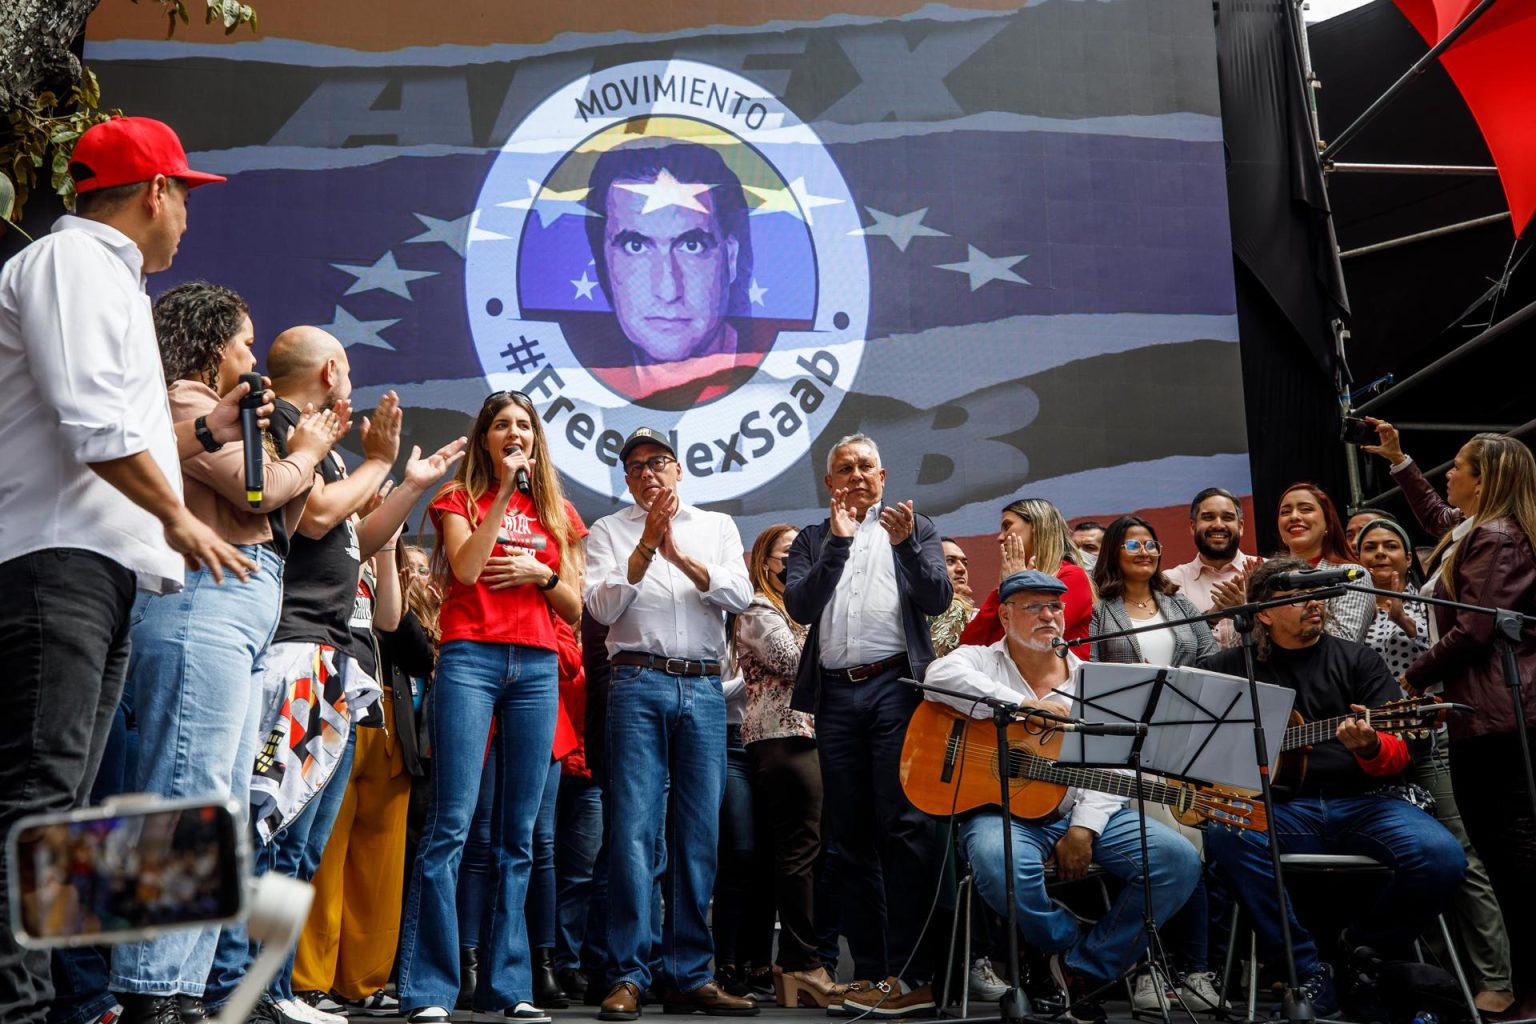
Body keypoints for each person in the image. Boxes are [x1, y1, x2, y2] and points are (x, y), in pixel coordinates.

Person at [0, 115, 260, 1024]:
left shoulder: (105, 278)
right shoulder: (70, 264)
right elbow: (89, 421)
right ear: (154, 191)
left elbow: (117, 425)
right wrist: (179, 516)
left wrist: (202, 437)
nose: (188, 214)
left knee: (69, 809)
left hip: (102, 567)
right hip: (56, 559)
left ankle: (80, 1003)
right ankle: (33, 1010)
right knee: (37, 798)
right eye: (184, 193)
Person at [106, 283, 344, 1024]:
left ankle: (182, 986)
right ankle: (148, 991)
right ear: (213, 347)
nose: (254, 356)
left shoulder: (242, 413)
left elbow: (282, 507)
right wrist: (305, 453)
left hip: (243, 607)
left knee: (226, 806)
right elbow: (256, 494)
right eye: (244, 342)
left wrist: (302, 457)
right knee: (187, 792)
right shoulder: (182, 399)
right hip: (200, 603)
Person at [925, 570, 1201, 1024]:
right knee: (999, 865)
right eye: (1033, 606)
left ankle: (1082, 968)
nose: (1047, 615)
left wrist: (1083, 829)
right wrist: (1022, 706)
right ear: (1005, 613)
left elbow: (1109, 764)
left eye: (1054, 606)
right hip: (1002, 811)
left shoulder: (1094, 679)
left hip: (1081, 808)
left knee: (1177, 860)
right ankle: (1062, 942)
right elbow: (939, 676)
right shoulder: (977, 660)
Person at [1199, 557, 1466, 1018]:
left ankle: (1358, 948)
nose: (1313, 605)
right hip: (1283, 808)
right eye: (1297, 597)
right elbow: (1197, 748)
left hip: (1366, 802)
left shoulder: (1357, 659)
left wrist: (1368, 748)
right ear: (1262, 613)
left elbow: (1402, 750)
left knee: (1442, 858)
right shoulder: (1228, 667)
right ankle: (1306, 970)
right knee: (1227, 833)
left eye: (1316, 595)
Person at [393, 390, 585, 1024]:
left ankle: (510, 985)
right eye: (502, 425)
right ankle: (428, 990)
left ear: (537, 438)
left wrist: (540, 574)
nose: (514, 433)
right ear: (484, 438)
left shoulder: (559, 513)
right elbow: (468, 571)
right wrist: (502, 494)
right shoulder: (458, 498)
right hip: (470, 659)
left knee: (520, 835)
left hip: (534, 667)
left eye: (523, 426)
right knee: (451, 827)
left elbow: (577, 609)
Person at [1364, 421, 1536, 1017]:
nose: (1448, 475)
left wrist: (1411, 679)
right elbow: (1439, 519)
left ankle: (1527, 987)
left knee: (1514, 852)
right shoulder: (1475, 530)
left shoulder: (1499, 537)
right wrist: (1398, 461)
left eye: (1458, 465)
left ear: (1485, 479)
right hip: (1475, 715)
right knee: (1498, 848)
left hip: (1499, 718)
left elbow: (1476, 627)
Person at [584, 426, 755, 1021]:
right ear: (626, 480)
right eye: (634, 467)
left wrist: (677, 553)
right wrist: (644, 548)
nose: (648, 472)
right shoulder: (608, 531)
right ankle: (629, 974)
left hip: (705, 686)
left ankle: (687, 975)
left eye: (658, 461)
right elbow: (602, 608)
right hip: (637, 681)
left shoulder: (718, 527)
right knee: (634, 831)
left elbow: (739, 594)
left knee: (697, 834)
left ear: (679, 469)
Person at [784, 433, 952, 1017]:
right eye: (843, 469)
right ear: (828, 483)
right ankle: (878, 974)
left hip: (895, 690)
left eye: (865, 467)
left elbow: (937, 597)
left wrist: (905, 548)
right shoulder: (810, 538)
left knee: (904, 830)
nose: (855, 475)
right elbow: (801, 607)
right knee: (848, 841)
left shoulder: (915, 528)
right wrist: (836, 543)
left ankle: (915, 975)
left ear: (882, 477)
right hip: (835, 697)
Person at [1353, 515, 1515, 1016]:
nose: (1380, 554)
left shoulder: (1429, 598)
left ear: (1408, 557)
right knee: (1403, 858)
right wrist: (1365, 608)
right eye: (1370, 548)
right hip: (1373, 742)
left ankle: (1496, 976)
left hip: (1430, 738)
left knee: (1460, 853)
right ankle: (1432, 974)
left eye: (1390, 546)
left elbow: (1455, 654)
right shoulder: (1348, 606)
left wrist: (1403, 617)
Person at [1086, 516, 1219, 1012]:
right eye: (1133, 544)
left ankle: (1195, 970)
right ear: (1115, 552)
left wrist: (1181, 679)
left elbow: (1210, 660)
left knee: (1195, 848)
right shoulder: (1101, 608)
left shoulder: (1180, 604)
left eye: (1151, 543)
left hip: (1181, 747)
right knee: (1154, 853)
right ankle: (1146, 971)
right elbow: (1090, 671)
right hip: (1125, 751)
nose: (1145, 551)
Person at [734, 525, 842, 1008]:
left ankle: (801, 961)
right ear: (765, 561)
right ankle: (800, 961)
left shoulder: (808, 608)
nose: (800, 563)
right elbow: (795, 662)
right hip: (782, 737)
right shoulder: (758, 609)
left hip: (815, 737)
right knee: (799, 851)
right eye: (789, 555)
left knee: (814, 851)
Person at [580, 141, 756, 406]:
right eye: (636, 246)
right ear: (603, 261)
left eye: (692, 246)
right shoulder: (580, 386)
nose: (668, 290)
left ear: (730, 258)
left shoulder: (779, 375)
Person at [959, 498, 1094, 650]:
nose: (1000, 537)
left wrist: (1017, 586)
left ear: (1037, 526)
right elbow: (968, 644)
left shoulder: (1072, 576)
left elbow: (1032, 639)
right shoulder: (1010, 579)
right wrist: (1004, 590)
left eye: (1007, 526)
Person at [1274, 482, 1373, 641]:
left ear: (1327, 522)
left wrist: (1283, 617)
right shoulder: (1270, 579)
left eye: (1306, 509)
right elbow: (1241, 649)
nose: (1294, 516)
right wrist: (1245, 608)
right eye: (1285, 512)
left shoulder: (1352, 575)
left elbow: (1345, 640)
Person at [1162, 487, 1262, 616]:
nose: (1218, 525)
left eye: (1227, 518)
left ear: (1240, 527)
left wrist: (1252, 604)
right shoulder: (1172, 581)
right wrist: (1214, 616)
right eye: (1208, 517)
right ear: (1193, 527)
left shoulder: (1266, 571)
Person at [930, 538, 976, 658]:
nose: (962, 569)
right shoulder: (911, 610)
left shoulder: (977, 615)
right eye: (950, 561)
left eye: (964, 563)